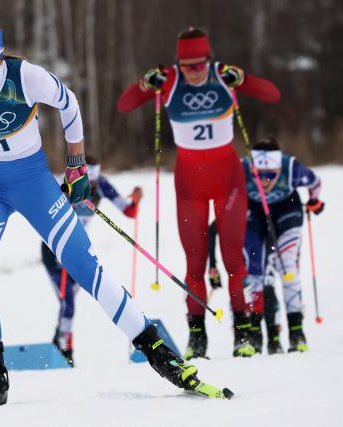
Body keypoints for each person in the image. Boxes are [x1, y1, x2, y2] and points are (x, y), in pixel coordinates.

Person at [0, 19, 230, 408]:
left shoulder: (26, 77)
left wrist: (76, 163)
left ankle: (162, 356)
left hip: (34, 184)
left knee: (84, 265)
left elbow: (69, 103)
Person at [117, 27, 281, 358]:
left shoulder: (222, 76)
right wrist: (145, 85)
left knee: (235, 259)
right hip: (190, 184)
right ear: (179, 62)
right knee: (195, 263)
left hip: (228, 181)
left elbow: (272, 94)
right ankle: (198, 338)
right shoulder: (170, 79)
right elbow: (125, 104)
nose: (193, 72)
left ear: (209, 58)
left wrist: (244, 79)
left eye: (199, 65)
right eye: (187, 65)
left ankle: (244, 334)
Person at [42, 155, 142, 367]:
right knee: (67, 303)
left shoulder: (102, 185)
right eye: (89, 182)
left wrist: (135, 198)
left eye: (94, 183)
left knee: (68, 304)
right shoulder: (65, 182)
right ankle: (64, 350)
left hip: (77, 251)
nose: (92, 186)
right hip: (54, 250)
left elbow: (129, 210)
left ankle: (60, 342)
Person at [242, 137, 324, 353]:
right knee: (254, 268)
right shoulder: (242, 167)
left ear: (279, 167)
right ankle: (255, 334)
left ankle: (297, 333)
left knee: (288, 267)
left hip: (287, 209)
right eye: (259, 176)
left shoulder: (291, 167)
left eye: (270, 175)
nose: (265, 181)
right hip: (255, 212)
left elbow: (315, 183)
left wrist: (315, 201)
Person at [205, 219, 283, 356]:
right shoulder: (233, 207)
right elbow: (212, 229)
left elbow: (273, 222)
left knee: (266, 286)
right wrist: (212, 264)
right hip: (243, 257)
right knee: (242, 287)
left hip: (261, 249)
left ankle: (273, 338)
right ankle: (247, 334)